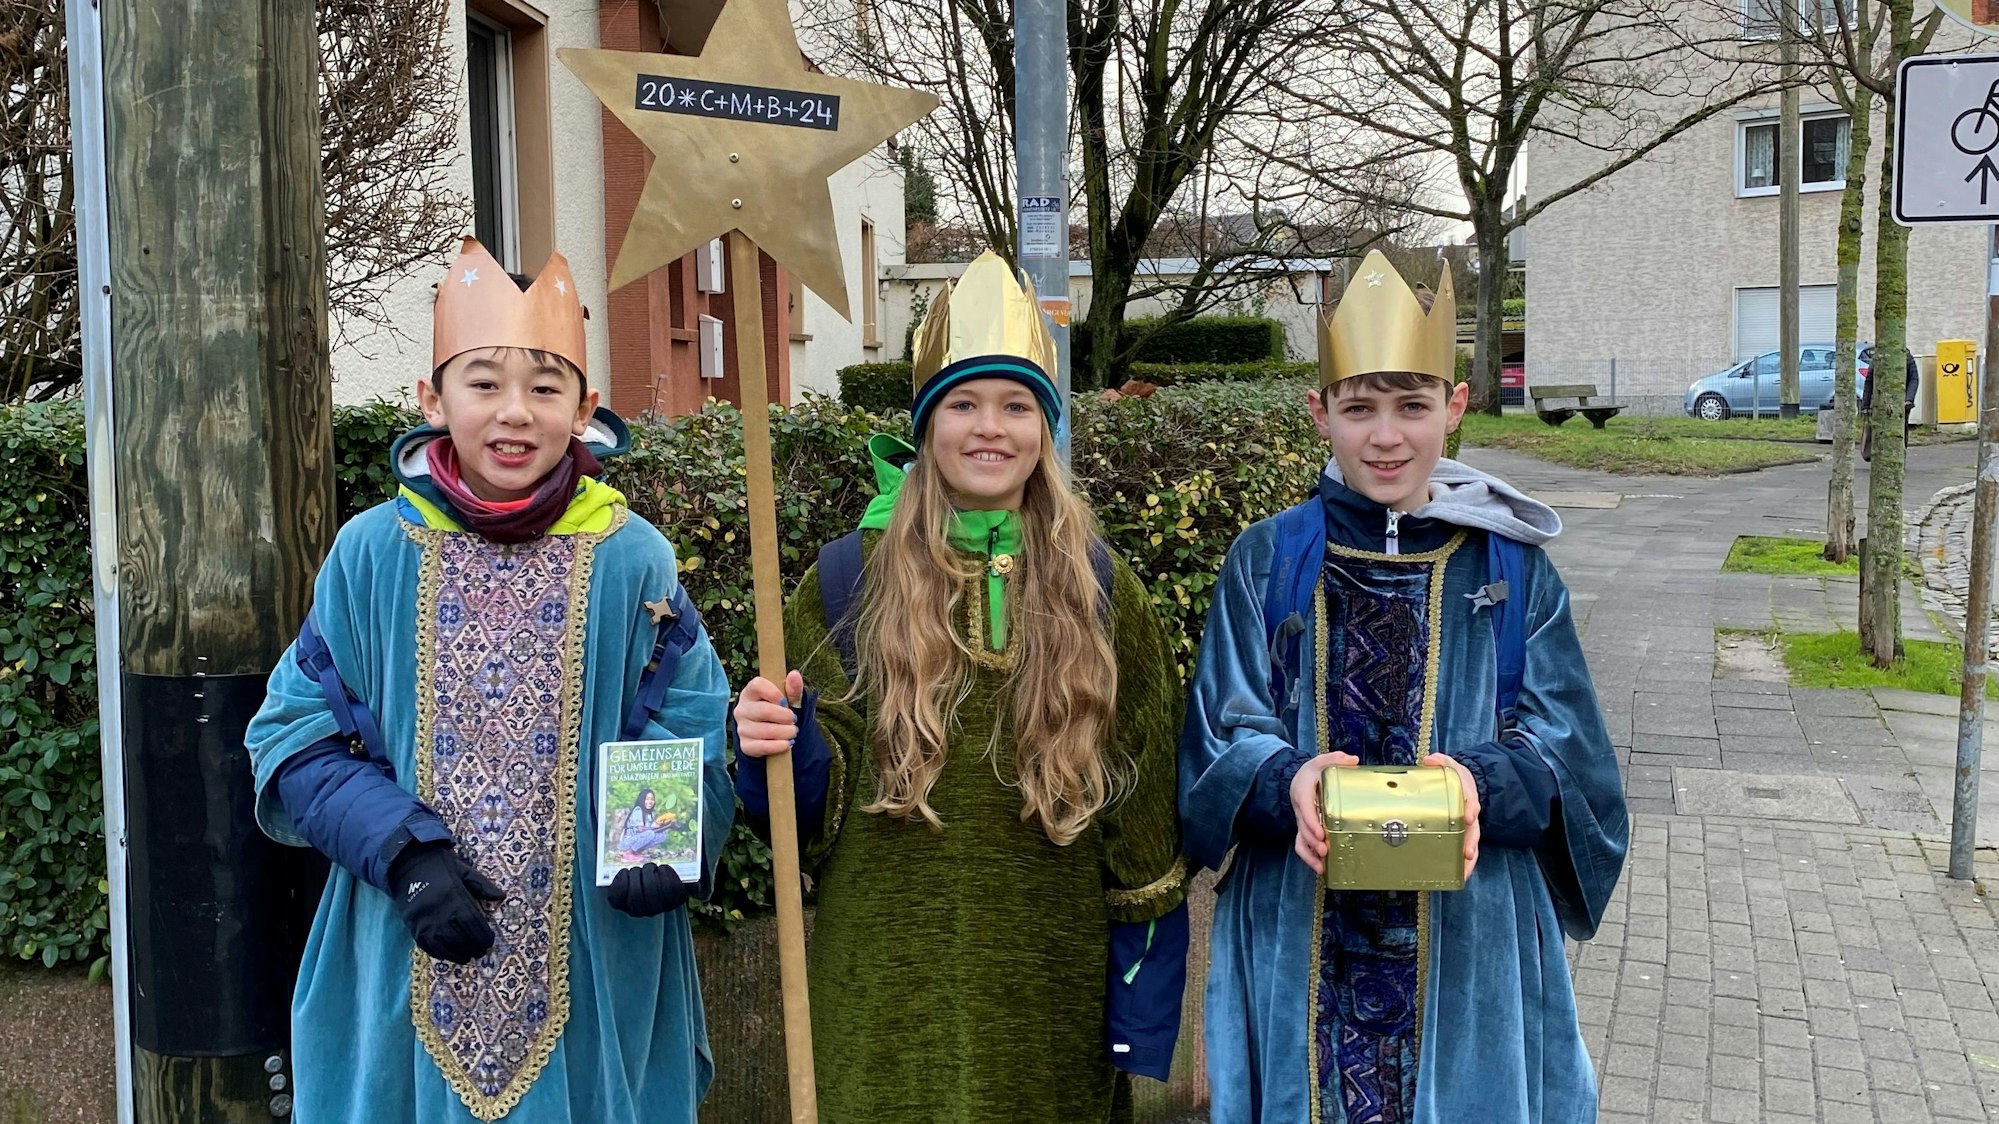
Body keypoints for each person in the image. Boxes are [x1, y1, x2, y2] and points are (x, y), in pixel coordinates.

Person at [245, 237, 734, 1123]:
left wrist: (659, 838)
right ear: (432, 399)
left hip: (593, 959)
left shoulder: (634, 558)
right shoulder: (369, 554)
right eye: (483, 383)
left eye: (545, 388)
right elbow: (297, 730)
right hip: (400, 947)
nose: (515, 412)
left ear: (584, 408)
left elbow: (682, 711)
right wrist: (404, 854)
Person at [732, 251, 1188, 1123]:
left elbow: (1142, 822)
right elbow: (804, 817)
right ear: (925, 425)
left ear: (1044, 427)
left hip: (1051, 985)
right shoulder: (845, 581)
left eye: (1016, 405)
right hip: (882, 983)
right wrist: (770, 746)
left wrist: (1138, 1014)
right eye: (963, 404)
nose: (990, 428)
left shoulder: (1102, 587)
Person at [1179, 250, 1627, 1123]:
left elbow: (1569, 752)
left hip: (1470, 940)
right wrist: (1285, 779)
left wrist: (1479, 781)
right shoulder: (1266, 558)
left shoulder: (1509, 567)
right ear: (1320, 413)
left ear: (1453, 408)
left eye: (1412, 406)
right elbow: (1218, 734)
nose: (1385, 437)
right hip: (1297, 925)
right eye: (1359, 409)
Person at [1860, 344, 1920, 462]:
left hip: (1901, 403)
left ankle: (1898, 456)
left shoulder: (1906, 356)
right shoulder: (1878, 357)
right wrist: (1865, 405)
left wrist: (1908, 399)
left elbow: (1914, 379)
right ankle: (1878, 456)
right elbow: (1869, 381)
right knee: (1877, 430)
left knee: (1900, 431)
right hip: (1879, 401)